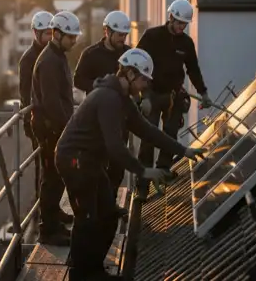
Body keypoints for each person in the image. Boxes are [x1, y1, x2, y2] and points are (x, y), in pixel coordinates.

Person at [56, 48, 206, 281]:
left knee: (108, 215)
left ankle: (93, 270)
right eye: (144, 79)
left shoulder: (122, 99)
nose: (146, 85)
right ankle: (80, 275)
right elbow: (115, 147)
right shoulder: (108, 99)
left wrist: (183, 150)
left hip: (89, 160)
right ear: (130, 74)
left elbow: (147, 130)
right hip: (74, 160)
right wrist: (143, 171)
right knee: (87, 219)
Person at [135, 0, 212, 186]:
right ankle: (143, 183)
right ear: (170, 17)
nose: (181, 27)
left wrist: (203, 93)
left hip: (173, 96)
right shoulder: (152, 36)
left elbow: (193, 70)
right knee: (149, 137)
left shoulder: (186, 43)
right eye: (179, 23)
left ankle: (163, 170)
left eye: (184, 24)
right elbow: (136, 63)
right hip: (151, 93)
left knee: (170, 134)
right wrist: (143, 96)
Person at [30, 10, 82, 246]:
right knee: (51, 178)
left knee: (56, 176)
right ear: (57, 34)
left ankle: (53, 218)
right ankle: (48, 230)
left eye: (75, 37)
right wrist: (67, 129)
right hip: (51, 128)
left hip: (56, 127)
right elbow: (52, 103)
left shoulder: (57, 56)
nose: (74, 41)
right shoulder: (50, 61)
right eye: (71, 37)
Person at [72, 10, 131, 215]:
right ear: (107, 31)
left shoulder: (128, 55)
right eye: (119, 35)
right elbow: (78, 79)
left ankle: (109, 205)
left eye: (125, 35)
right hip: (96, 121)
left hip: (120, 118)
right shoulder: (90, 54)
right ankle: (95, 208)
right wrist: (99, 86)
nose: (122, 39)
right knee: (96, 164)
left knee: (117, 164)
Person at [18, 10, 53, 201]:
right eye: (46, 33)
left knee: (54, 165)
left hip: (52, 119)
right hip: (39, 120)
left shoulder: (53, 55)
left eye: (52, 33)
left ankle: (50, 204)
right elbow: (26, 94)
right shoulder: (29, 59)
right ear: (36, 33)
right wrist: (31, 121)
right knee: (43, 164)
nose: (50, 38)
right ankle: (42, 204)